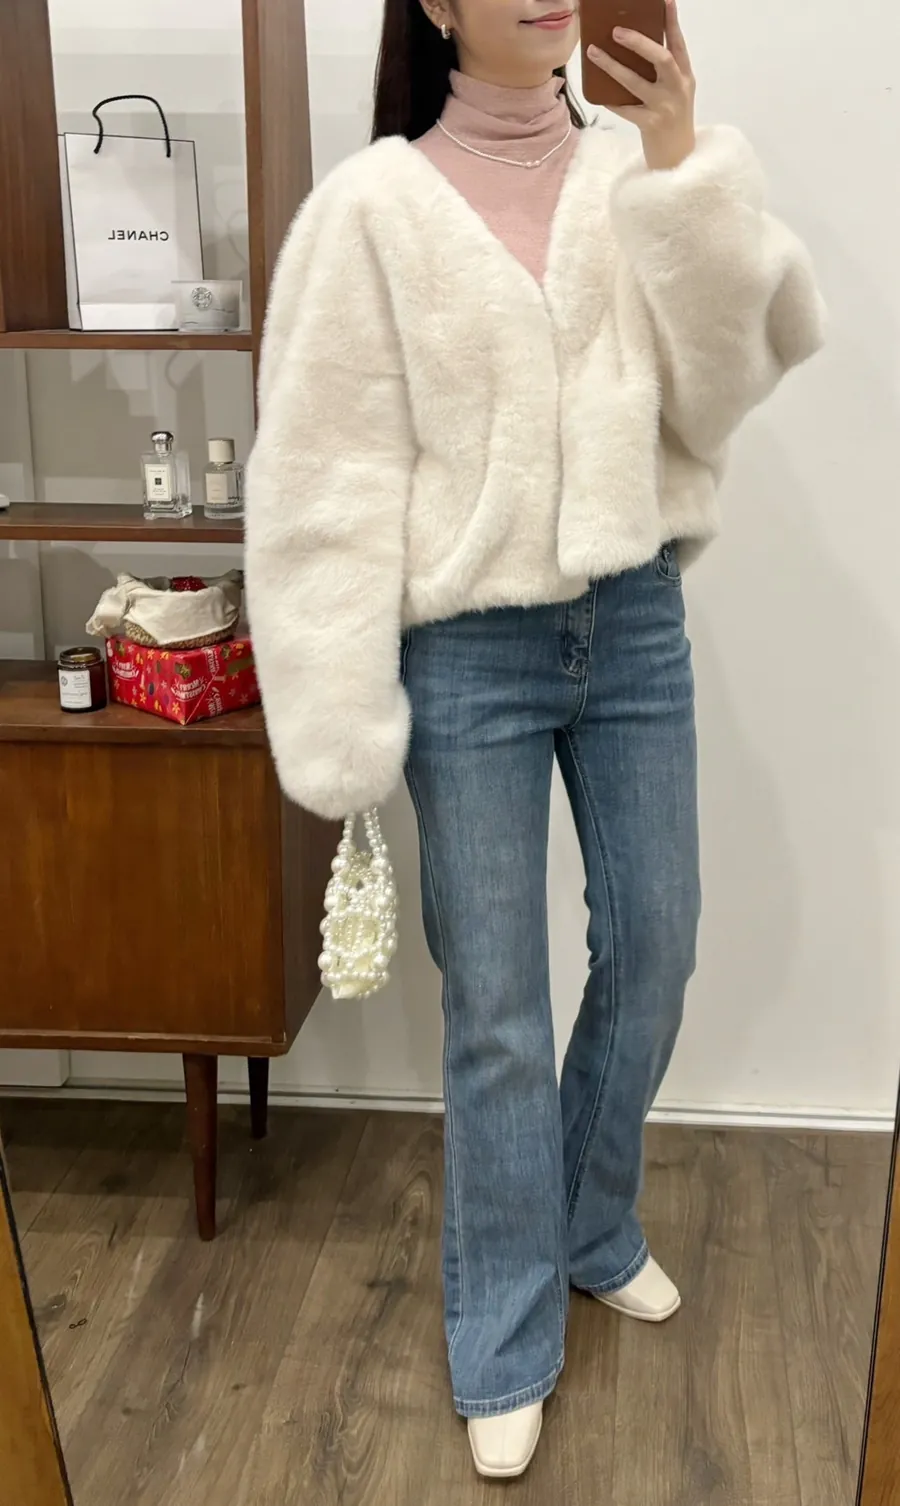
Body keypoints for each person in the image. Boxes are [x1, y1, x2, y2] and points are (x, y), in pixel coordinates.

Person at [245, 0, 824, 1479]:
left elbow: (724, 387)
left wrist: (685, 166)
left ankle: (588, 1219)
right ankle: (502, 1331)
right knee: (496, 1002)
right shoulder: (372, 210)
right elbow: (323, 476)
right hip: (467, 650)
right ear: (436, 4)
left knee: (659, 941)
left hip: (632, 620)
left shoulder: (635, 174)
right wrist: (337, 709)